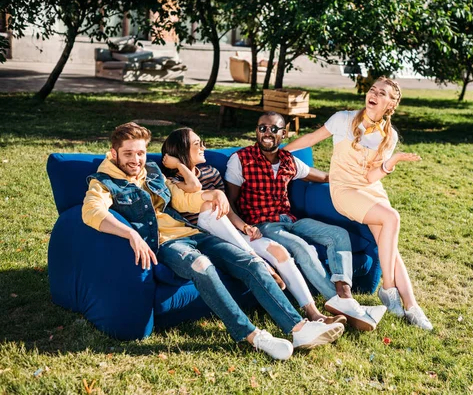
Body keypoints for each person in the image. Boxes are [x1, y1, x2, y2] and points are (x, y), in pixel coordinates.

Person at [81, 122, 345, 361]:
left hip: (193, 233)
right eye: (129, 154)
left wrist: (213, 194)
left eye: (140, 153)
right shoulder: (104, 182)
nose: (136, 160)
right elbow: (92, 212)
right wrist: (131, 233)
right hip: (167, 244)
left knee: (251, 263)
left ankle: (298, 328)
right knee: (202, 266)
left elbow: (183, 199)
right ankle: (253, 336)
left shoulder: (151, 171)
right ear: (114, 154)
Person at [284, 77, 433, 330]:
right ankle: (387, 289)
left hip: (370, 189)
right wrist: (281, 151)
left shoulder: (390, 135)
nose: (373, 94)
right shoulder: (343, 119)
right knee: (392, 218)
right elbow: (311, 138)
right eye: (372, 89)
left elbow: (371, 177)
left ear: (390, 103)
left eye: (381, 93)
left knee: (390, 248)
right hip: (344, 190)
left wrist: (391, 162)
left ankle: (412, 306)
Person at [160, 127, 346, 325]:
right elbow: (195, 187)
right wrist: (180, 165)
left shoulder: (211, 172)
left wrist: (245, 226)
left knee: (279, 251)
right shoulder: (172, 182)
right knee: (208, 205)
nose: (203, 147)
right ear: (181, 150)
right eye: (197, 144)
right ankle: (259, 261)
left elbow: (227, 210)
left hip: (230, 233)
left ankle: (314, 313)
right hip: (206, 236)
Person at [225, 112, 386, 331]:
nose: (267, 133)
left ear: (284, 133)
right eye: (262, 128)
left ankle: (344, 295)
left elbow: (321, 176)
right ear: (256, 131)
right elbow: (230, 200)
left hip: (290, 220)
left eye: (274, 129)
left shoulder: (288, 160)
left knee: (338, 234)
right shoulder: (241, 159)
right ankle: (339, 303)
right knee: (303, 248)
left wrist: (352, 179)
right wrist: (243, 229)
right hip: (263, 225)